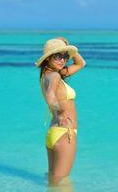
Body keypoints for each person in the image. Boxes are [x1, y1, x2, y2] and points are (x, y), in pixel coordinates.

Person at [35, 37, 86, 185]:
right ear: (48, 58)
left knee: (53, 180)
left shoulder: (48, 74)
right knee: (61, 183)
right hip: (65, 133)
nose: (62, 60)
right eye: (57, 56)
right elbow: (50, 97)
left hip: (54, 133)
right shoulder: (55, 75)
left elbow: (81, 63)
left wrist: (67, 46)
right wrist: (60, 113)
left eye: (64, 57)